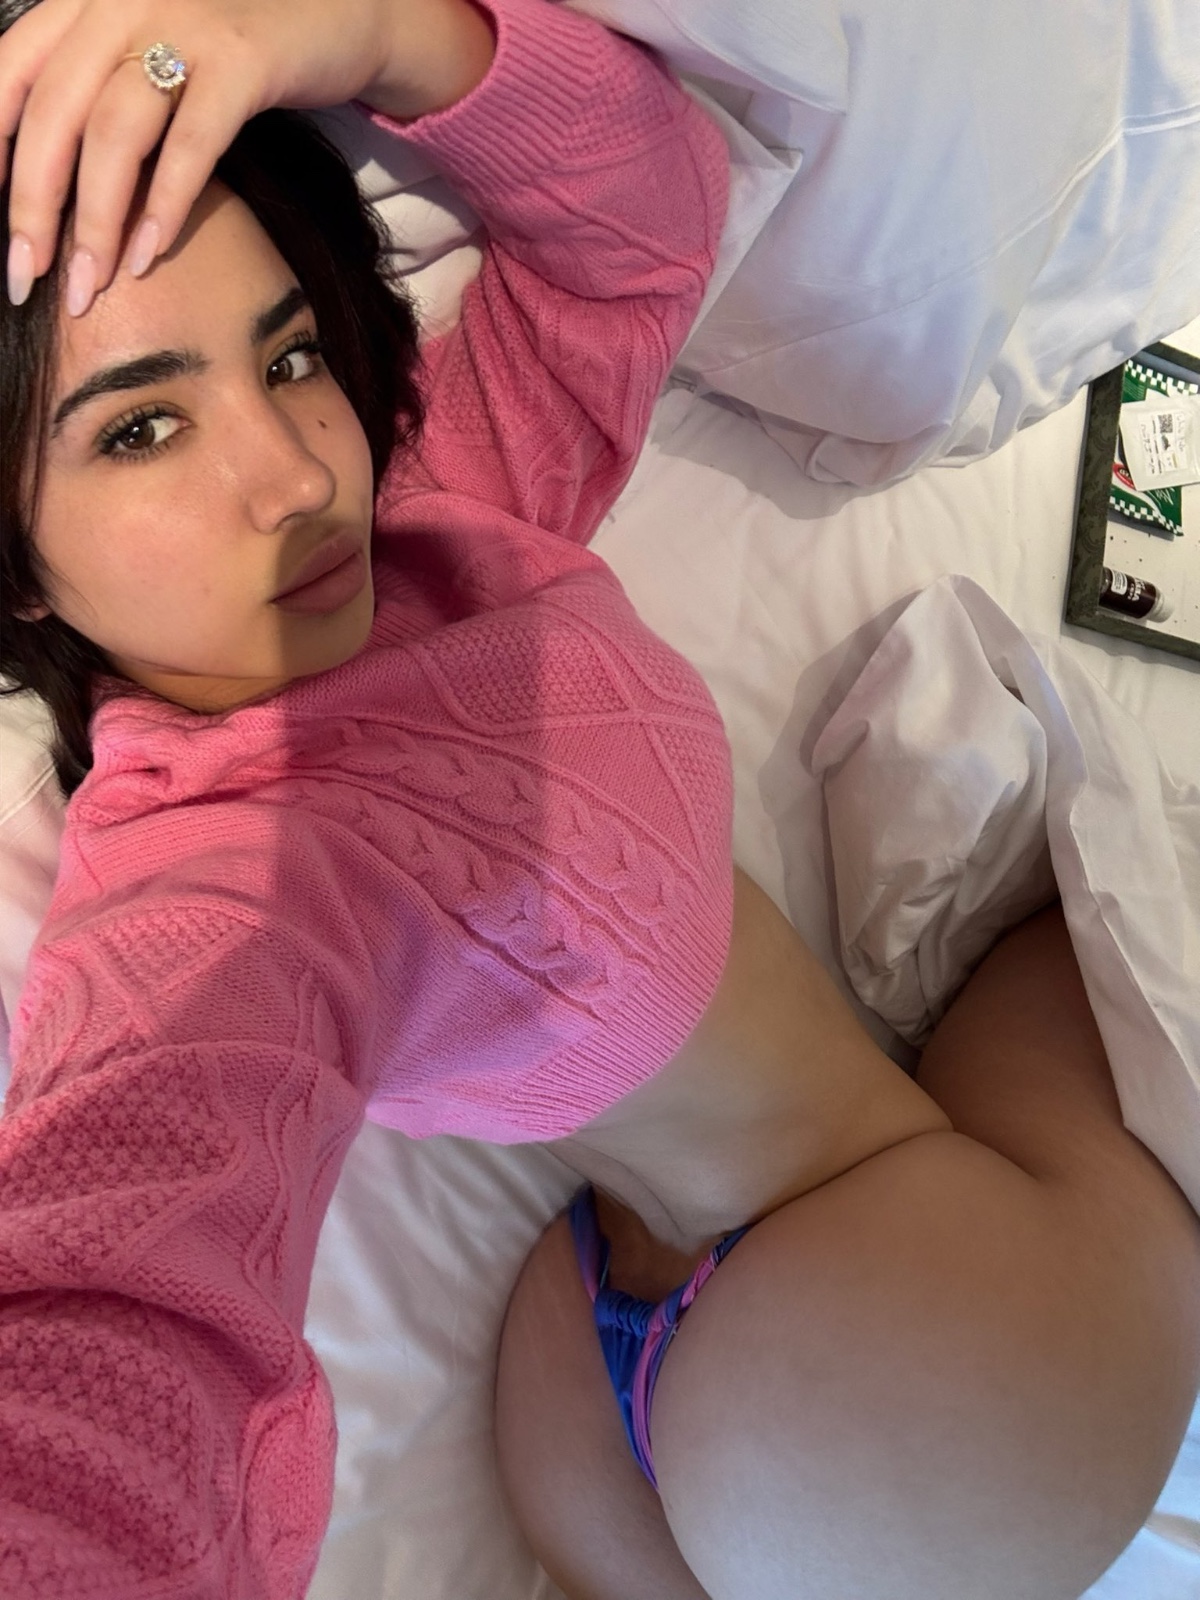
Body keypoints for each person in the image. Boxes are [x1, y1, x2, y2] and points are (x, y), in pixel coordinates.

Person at [1, 1, 1198, 1597]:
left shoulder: (436, 517)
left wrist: (366, 28)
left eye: (287, 356)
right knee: (1117, 897)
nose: (295, 475)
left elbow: (637, 225)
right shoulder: (215, 879)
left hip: (634, 1335)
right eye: (141, 427)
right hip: (883, 1357)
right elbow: (114, 1318)